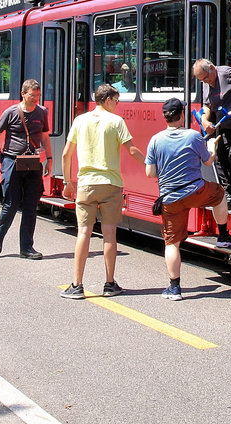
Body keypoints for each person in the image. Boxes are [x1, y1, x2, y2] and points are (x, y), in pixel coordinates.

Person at [59, 84, 149, 300]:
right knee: (109, 234)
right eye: (116, 100)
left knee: (84, 233)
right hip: (111, 184)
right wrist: (149, 168)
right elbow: (132, 149)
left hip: (86, 184)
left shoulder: (80, 120)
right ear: (107, 100)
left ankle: (77, 285)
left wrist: (67, 182)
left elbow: (65, 155)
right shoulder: (116, 122)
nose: (117, 104)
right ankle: (109, 284)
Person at [145, 97, 231, 301]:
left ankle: (174, 288)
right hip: (196, 191)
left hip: (170, 199)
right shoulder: (194, 137)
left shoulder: (155, 140)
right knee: (219, 194)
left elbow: (150, 173)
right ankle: (223, 236)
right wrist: (212, 146)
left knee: (171, 243)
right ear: (182, 115)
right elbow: (208, 162)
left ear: (164, 116)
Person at [0, 79, 52, 259]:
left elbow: (44, 138)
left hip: (33, 163)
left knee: (31, 206)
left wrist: (49, 159)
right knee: (10, 204)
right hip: (12, 161)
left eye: (38, 95)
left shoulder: (42, 112)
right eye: (32, 95)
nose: (36, 98)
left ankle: (26, 248)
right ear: (23, 94)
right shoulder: (11, 112)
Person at [192, 57, 231, 209]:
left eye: (206, 77)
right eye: (202, 80)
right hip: (222, 125)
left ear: (212, 68)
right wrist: (205, 121)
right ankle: (226, 193)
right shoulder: (206, 83)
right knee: (220, 158)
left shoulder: (226, 73)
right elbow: (207, 105)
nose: (206, 82)